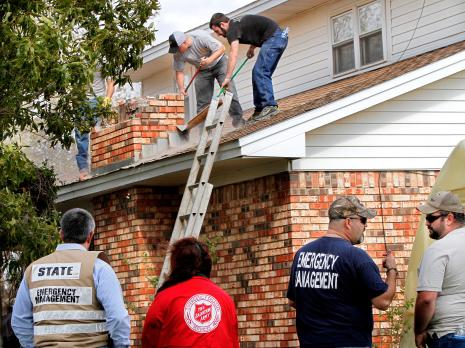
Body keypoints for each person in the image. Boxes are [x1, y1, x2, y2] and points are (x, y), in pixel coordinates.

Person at [287, 196, 397, 347]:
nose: (365, 226)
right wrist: (392, 269)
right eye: (363, 220)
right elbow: (383, 301)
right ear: (348, 222)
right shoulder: (356, 257)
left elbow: (293, 301)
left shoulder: (302, 254)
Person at [11, 208, 130, 348]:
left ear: (61, 234)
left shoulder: (33, 270)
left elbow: (19, 321)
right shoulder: (99, 268)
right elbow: (118, 318)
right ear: (90, 235)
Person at [142, 237, 239, 348]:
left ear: (176, 265)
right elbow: (233, 341)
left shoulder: (165, 298)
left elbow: (149, 339)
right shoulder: (226, 299)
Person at [209, 13, 288, 121]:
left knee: (260, 72)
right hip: (277, 37)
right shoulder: (236, 25)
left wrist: (227, 78)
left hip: (275, 38)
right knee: (257, 73)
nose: (218, 35)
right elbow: (256, 30)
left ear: (222, 24)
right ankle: (260, 109)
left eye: (217, 31)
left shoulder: (231, 30)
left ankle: (269, 106)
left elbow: (233, 54)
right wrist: (251, 48)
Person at [414, 191, 465, 348]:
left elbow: (427, 299)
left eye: (431, 218)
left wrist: (419, 331)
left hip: (451, 336)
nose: (427, 223)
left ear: (449, 218)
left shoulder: (438, 249)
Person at [168, 30, 245, 127]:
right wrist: (181, 88)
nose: (177, 51)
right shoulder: (178, 53)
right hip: (202, 70)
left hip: (219, 62)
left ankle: (238, 121)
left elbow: (221, 48)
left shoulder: (201, 37)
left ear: (184, 42)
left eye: (178, 48)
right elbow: (179, 71)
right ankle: (204, 131)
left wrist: (209, 60)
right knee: (202, 102)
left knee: (229, 91)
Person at [75, 71, 114, 181]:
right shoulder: (79, 55)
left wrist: (107, 100)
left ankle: (102, 164)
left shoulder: (104, 59)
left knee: (97, 132)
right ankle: (83, 170)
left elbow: (111, 83)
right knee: (81, 135)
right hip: (81, 101)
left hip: (97, 100)